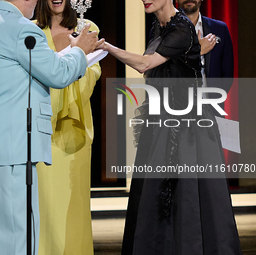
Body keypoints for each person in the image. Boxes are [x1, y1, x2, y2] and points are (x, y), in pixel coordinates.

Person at [0, 0, 103, 254]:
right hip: (8, 155)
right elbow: (58, 74)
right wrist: (80, 51)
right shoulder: (21, 29)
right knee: (15, 244)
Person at [98, 0, 241, 254]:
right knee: (155, 192)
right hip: (160, 119)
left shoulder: (181, 27)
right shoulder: (158, 26)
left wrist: (107, 47)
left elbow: (145, 64)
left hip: (187, 125)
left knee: (188, 193)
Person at [33, 0, 100, 254]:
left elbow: (93, 73)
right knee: (44, 208)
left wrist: (72, 70)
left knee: (74, 209)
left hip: (75, 132)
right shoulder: (32, 32)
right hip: (42, 130)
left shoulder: (86, 28)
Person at [177, 0, 234, 114]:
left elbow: (227, 74)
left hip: (211, 111)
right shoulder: (164, 30)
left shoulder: (220, 29)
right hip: (177, 111)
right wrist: (197, 51)